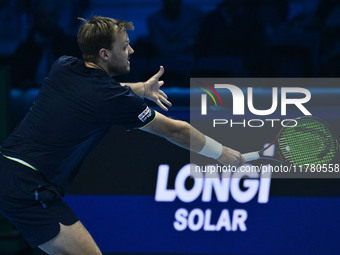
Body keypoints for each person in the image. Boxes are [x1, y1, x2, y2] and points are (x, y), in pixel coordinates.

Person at [0, 16, 244, 254]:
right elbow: (175, 130)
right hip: (27, 185)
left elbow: (104, 91)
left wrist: (141, 89)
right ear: (105, 54)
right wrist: (222, 154)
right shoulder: (111, 100)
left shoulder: (63, 66)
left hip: (8, 170)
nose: (132, 50)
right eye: (125, 46)